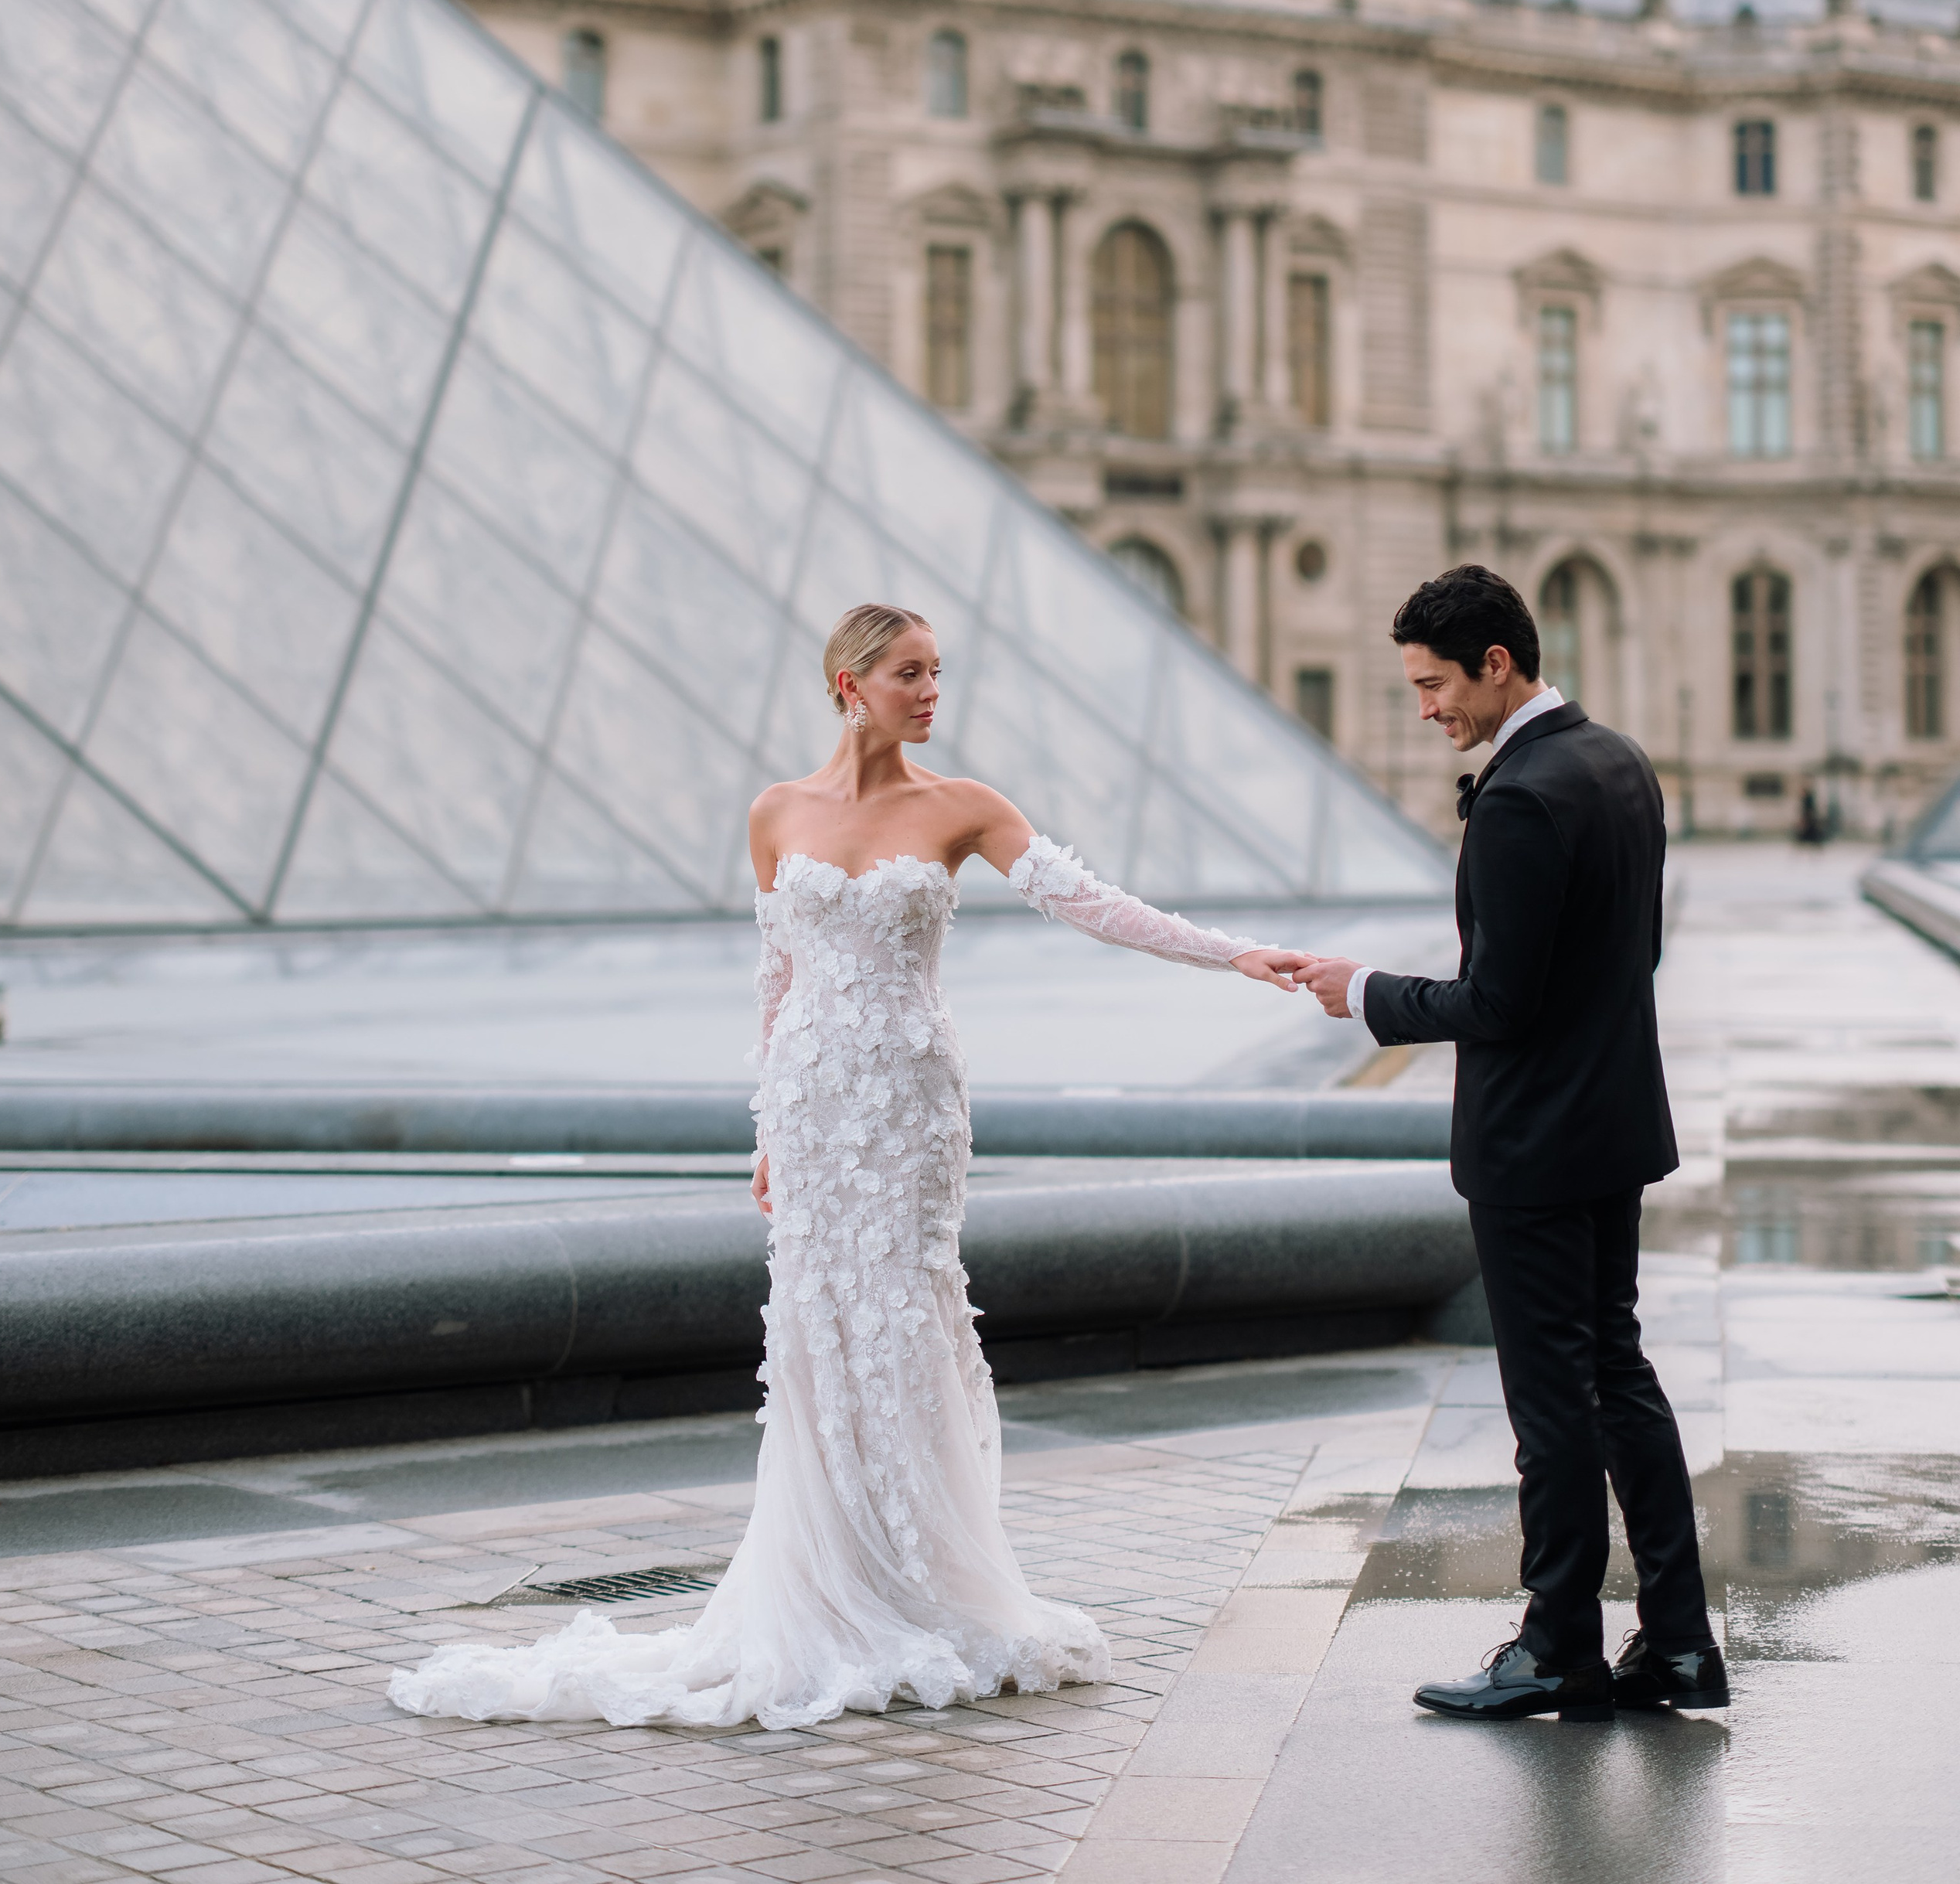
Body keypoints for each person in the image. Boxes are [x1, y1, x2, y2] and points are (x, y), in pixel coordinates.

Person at [389, 601, 1307, 1732]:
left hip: (911, 1103)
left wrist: (1231, 953)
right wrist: (767, 1132)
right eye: (909, 673)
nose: (931, 692)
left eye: (937, 672)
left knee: (906, 1315)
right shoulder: (776, 812)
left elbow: (1089, 902)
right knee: (820, 1326)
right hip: (815, 1104)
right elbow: (777, 978)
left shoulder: (965, 806)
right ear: (849, 684)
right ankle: (828, 1579)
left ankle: (921, 1577)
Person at [1296, 564, 1727, 1723]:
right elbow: (1630, 958)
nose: (1424, 709)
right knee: (1618, 1373)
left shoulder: (1523, 795)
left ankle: (1557, 1646)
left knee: (1552, 1405)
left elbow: (1497, 1002)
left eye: (1434, 685)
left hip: (1534, 1143)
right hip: (1613, 1123)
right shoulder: (1620, 762)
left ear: (1497, 664)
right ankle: (1680, 1642)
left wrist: (1365, 991)